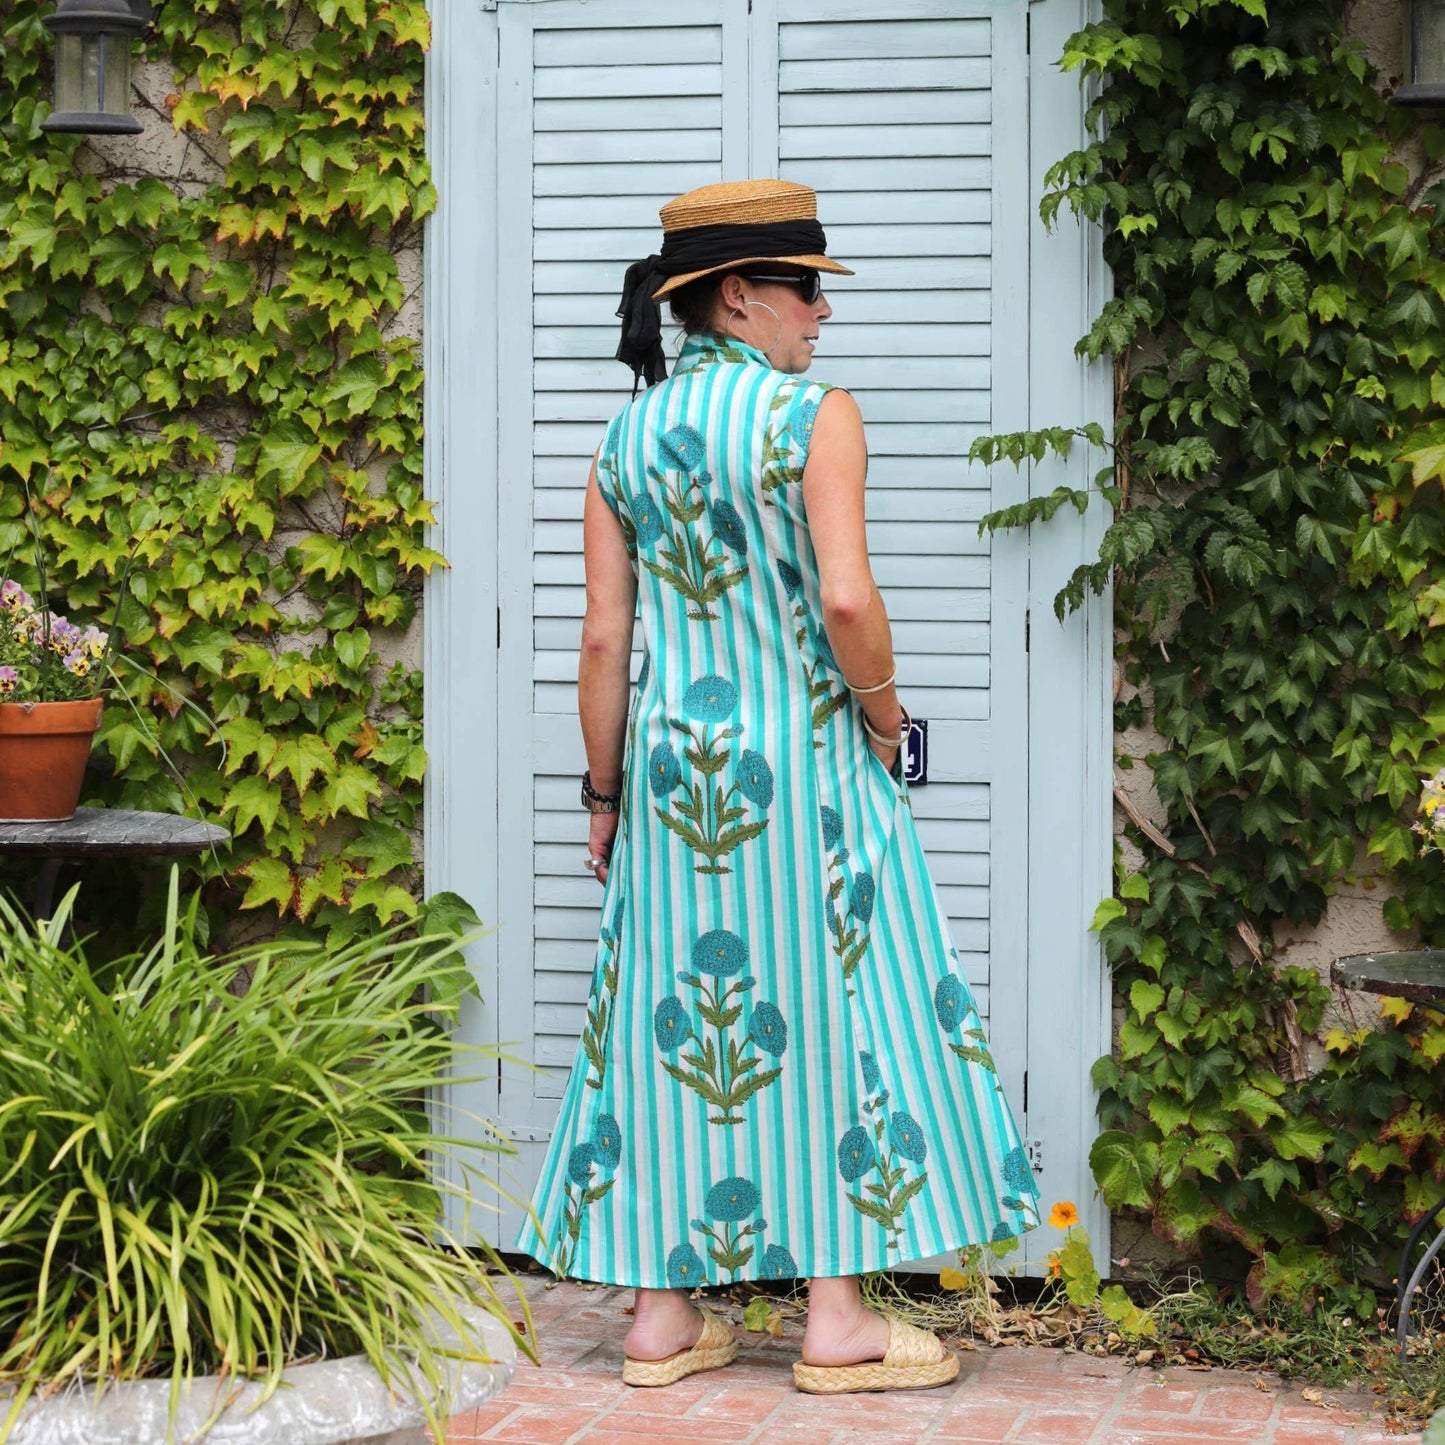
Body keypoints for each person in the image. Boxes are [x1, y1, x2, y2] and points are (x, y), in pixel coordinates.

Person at [514, 179, 1039, 1394]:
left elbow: (603, 642)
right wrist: (889, 720)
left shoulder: (622, 438)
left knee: (669, 1023)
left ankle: (657, 1320)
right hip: (803, 762)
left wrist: (602, 797)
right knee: (831, 1014)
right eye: (807, 288)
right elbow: (847, 600)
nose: (821, 314)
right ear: (739, 295)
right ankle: (836, 1321)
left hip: (669, 778)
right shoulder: (813, 417)